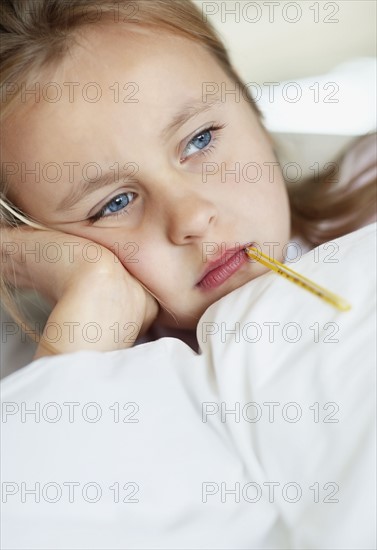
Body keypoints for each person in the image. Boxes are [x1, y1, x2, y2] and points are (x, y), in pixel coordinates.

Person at [0, 0, 375, 360]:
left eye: (201, 139)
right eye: (115, 204)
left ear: (248, 101)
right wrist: (85, 309)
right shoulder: (86, 379)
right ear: (28, 244)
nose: (193, 218)